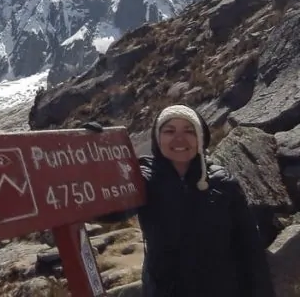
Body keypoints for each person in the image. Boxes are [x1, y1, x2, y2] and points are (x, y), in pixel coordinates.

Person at [85, 104, 275, 297]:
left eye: (189, 131)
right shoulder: (145, 179)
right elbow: (109, 211)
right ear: (157, 139)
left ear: (200, 138)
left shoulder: (223, 182)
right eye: (169, 131)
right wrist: (95, 154)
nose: (179, 138)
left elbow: (250, 248)